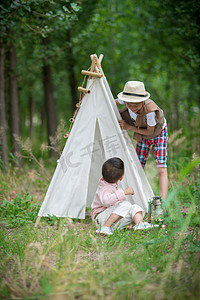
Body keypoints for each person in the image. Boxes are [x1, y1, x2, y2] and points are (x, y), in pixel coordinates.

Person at [115, 81, 168, 199]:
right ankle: (139, 196)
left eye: (136, 105)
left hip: (158, 133)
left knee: (161, 168)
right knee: (138, 165)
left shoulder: (150, 111)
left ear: (142, 101)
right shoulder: (127, 101)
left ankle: (164, 201)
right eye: (129, 105)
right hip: (142, 133)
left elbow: (150, 132)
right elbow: (110, 103)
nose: (132, 108)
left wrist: (129, 127)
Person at [91, 157, 144, 235]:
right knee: (126, 205)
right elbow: (106, 201)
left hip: (110, 220)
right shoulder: (104, 188)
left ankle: (140, 225)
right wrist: (124, 192)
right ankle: (104, 227)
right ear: (121, 177)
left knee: (134, 208)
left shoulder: (110, 184)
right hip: (100, 219)